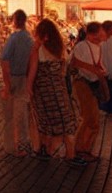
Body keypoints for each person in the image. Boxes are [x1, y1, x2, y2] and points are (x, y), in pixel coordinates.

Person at [27, 17, 77, 161]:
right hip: (59, 90)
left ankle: (46, 150)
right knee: (66, 121)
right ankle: (70, 154)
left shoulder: (38, 49)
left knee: (47, 122)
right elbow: (63, 71)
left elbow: (33, 70)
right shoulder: (60, 49)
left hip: (44, 92)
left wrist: (29, 87)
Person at [70, 21, 108, 165]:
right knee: (89, 118)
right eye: (101, 32)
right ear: (94, 34)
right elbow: (78, 65)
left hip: (88, 83)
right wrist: (97, 71)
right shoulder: (82, 46)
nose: (103, 35)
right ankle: (79, 149)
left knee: (91, 118)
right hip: (83, 83)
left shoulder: (97, 47)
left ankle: (84, 148)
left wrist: (99, 71)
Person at [0, 9, 33, 156]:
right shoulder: (29, 38)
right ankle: (24, 142)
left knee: (10, 115)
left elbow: (5, 59)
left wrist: (6, 84)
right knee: (22, 112)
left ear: (14, 21)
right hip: (25, 77)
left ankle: (12, 146)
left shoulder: (13, 38)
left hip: (13, 77)